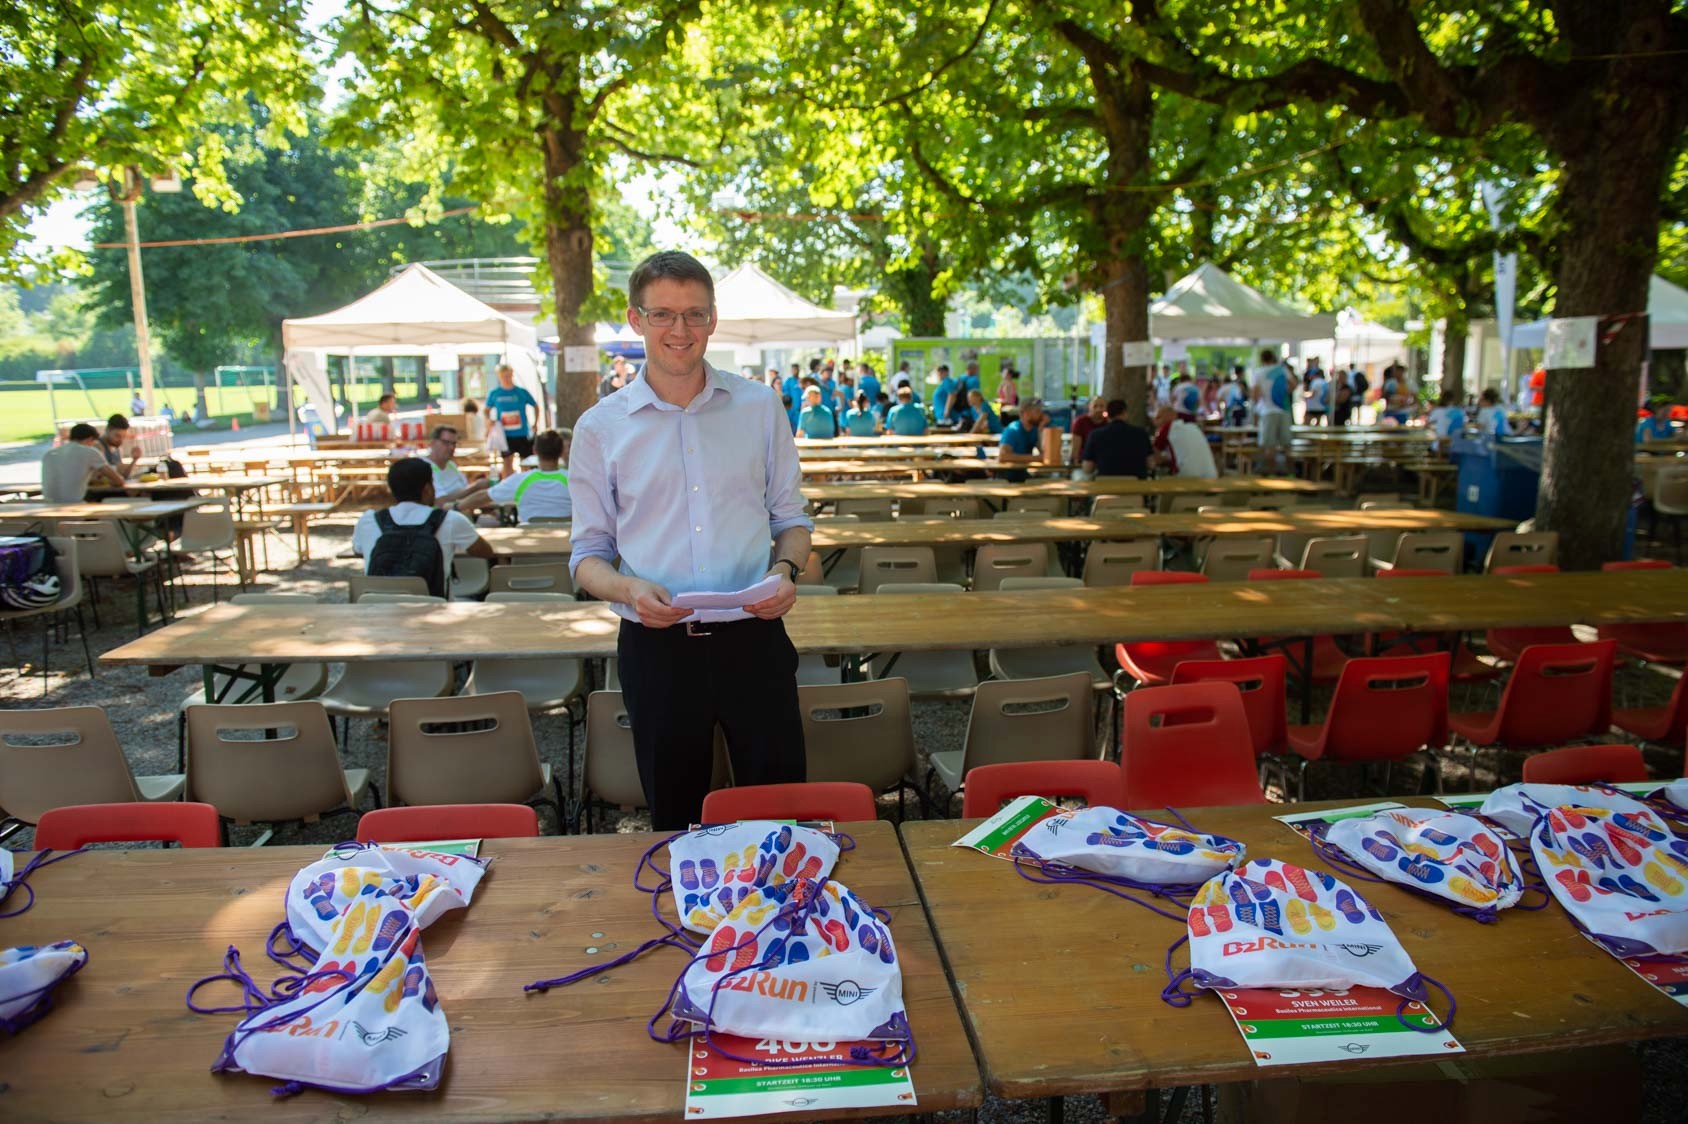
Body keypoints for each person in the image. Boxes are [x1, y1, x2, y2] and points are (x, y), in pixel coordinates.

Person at [567, 249, 811, 830]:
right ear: (636, 319)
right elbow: (586, 557)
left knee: (779, 813)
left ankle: (778, 891)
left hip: (755, 639)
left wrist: (787, 571)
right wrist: (627, 589)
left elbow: (792, 520)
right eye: (663, 314)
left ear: (712, 319)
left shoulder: (760, 406)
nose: (680, 329)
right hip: (658, 650)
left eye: (694, 314)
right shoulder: (600, 427)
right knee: (676, 818)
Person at [351, 457, 494, 596]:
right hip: (432, 607)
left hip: (379, 607)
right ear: (428, 489)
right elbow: (485, 552)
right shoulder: (451, 520)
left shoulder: (368, 520)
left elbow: (358, 551)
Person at [487, 427, 572, 523]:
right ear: (561, 452)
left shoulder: (520, 480)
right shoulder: (573, 480)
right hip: (566, 531)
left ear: (534, 450)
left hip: (529, 529)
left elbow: (485, 496)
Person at [41, 422, 127, 502]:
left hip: (48, 504)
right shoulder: (90, 451)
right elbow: (119, 481)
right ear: (90, 439)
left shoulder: (50, 453)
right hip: (73, 504)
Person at [418, 425, 494, 513]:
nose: (451, 448)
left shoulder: (451, 465)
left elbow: (465, 491)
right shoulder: (424, 467)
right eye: (446, 443)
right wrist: (475, 487)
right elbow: (440, 502)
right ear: (432, 443)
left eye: (454, 444)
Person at [484, 363, 541, 476]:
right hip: (505, 435)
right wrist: (489, 420)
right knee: (507, 463)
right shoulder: (495, 393)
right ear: (499, 377)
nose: (507, 379)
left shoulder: (521, 392)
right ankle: (508, 484)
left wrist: (535, 423)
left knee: (526, 463)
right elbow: (486, 410)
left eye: (509, 376)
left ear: (512, 375)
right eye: (504, 376)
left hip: (522, 433)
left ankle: (526, 482)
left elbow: (535, 406)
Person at [1250, 348, 1295, 475]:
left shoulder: (1258, 373)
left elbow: (1254, 395)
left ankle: (1271, 474)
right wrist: (1285, 393)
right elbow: (1294, 384)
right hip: (1284, 410)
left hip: (1267, 411)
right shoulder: (1282, 369)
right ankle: (1291, 473)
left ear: (1262, 359)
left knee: (1269, 446)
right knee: (1287, 445)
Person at [1082, 399, 1152, 478]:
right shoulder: (1141, 434)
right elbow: (1151, 464)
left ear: (1108, 414)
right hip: (1137, 483)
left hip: (1106, 483)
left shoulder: (1095, 435)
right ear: (1125, 413)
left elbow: (1087, 468)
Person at [1159, 384, 1217, 478]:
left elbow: (1155, 455)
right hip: (1210, 476)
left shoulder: (1170, 427)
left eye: (1159, 417)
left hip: (1186, 478)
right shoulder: (1195, 428)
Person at [997, 397, 1046, 482]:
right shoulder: (1013, 430)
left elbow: (1044, 454)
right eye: (1037, 411)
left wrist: (1041, 429)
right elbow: (1003, 456)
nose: (1041, 415)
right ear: (1026, 413)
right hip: (1007, 477)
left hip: (1023, 474)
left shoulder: (1034, 430)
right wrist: (1035, 458)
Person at [101, 414, 140, 479]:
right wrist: (117, 468)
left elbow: (123, 475)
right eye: (117, 436)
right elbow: (97, 473)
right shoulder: (97, 447)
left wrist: (134, 460)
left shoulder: (117, 448)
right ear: (108, 430)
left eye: (124, 436)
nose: (121, 440)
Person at [1070, 395, 1106, 466]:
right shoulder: (1080, 422)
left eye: (1101, 406)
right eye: (1095, 406)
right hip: (1084, 462)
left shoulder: (1108, 423)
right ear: (1089, 407)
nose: (1098, 409)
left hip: (1103, 463)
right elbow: (1075, 448)